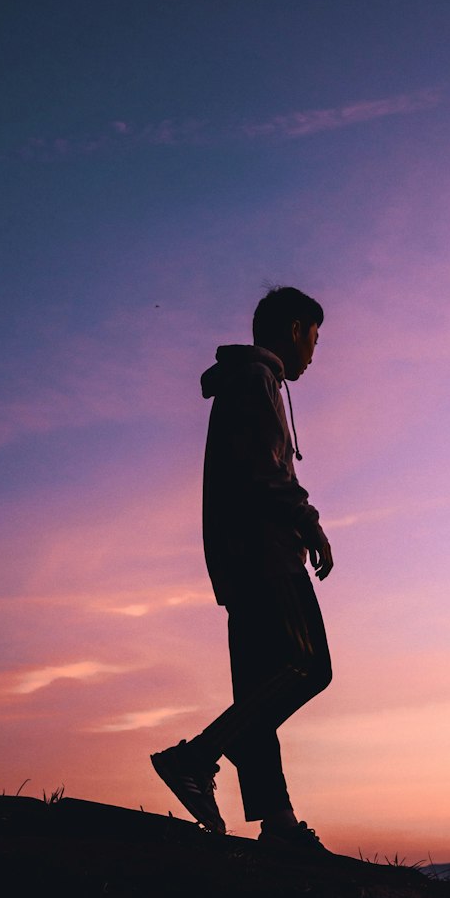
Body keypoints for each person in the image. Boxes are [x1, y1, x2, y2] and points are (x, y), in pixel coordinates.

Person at [151, 286, 335, 852]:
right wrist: (309, 525)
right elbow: (266, 471)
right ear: (295, 327)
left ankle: (276, 822)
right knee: (308, 667)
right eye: (314, 337)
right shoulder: (255, 382)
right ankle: (195, 757)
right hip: (265, 553)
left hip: (239, 558)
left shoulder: (247, 383)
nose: (314, 351)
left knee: (259, 686)